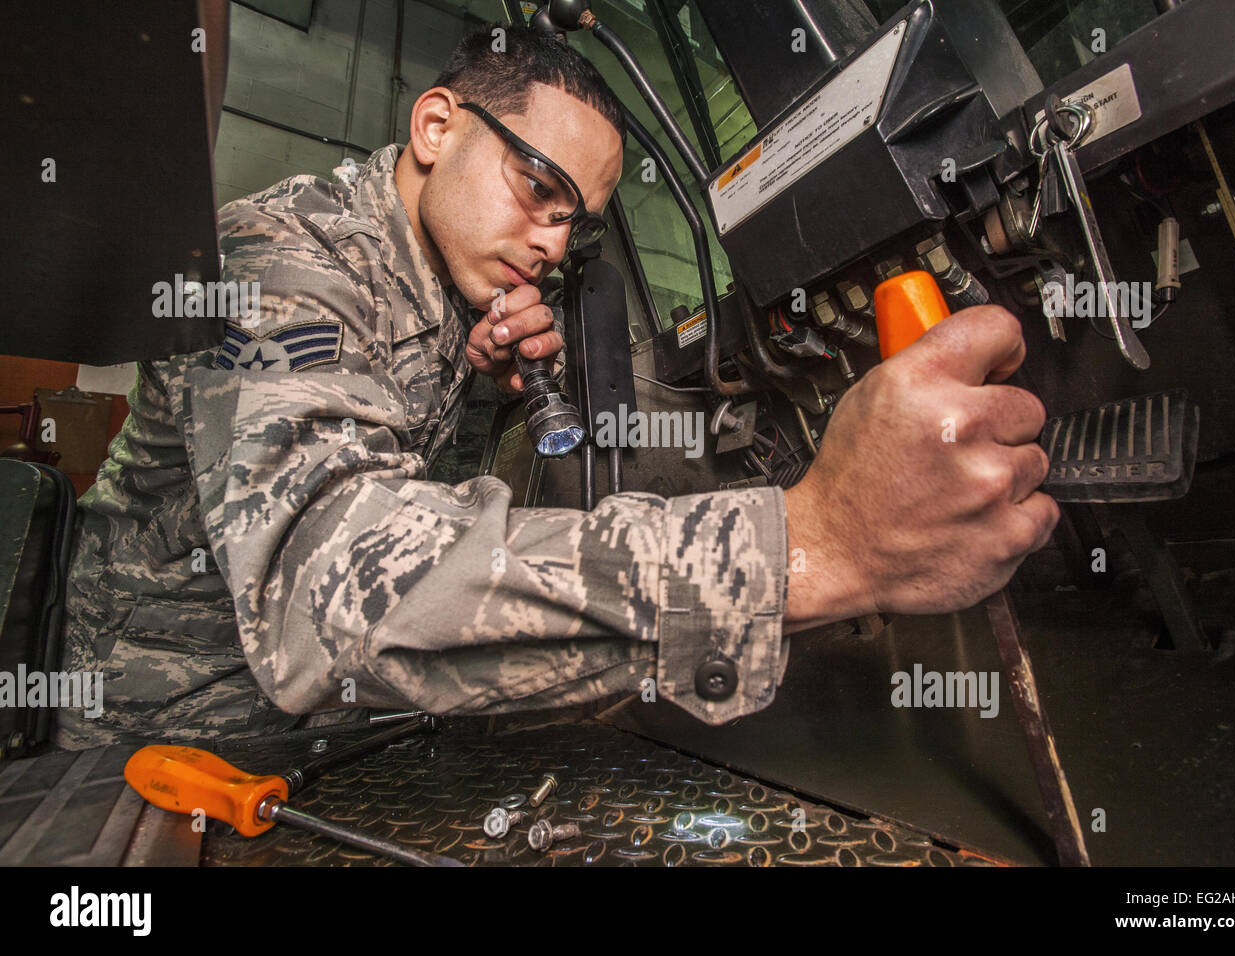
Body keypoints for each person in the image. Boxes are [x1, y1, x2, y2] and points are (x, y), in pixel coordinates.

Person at [54, 25, 1056, 750]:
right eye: (539, 188)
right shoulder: (279, 256)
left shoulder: (449, 289)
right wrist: (817, 543)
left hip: (314, 732)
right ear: (437, 125)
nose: (551, 240)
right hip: (162, 734)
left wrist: (485, 391)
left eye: (575, 224)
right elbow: (335, 597)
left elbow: (400, 496)